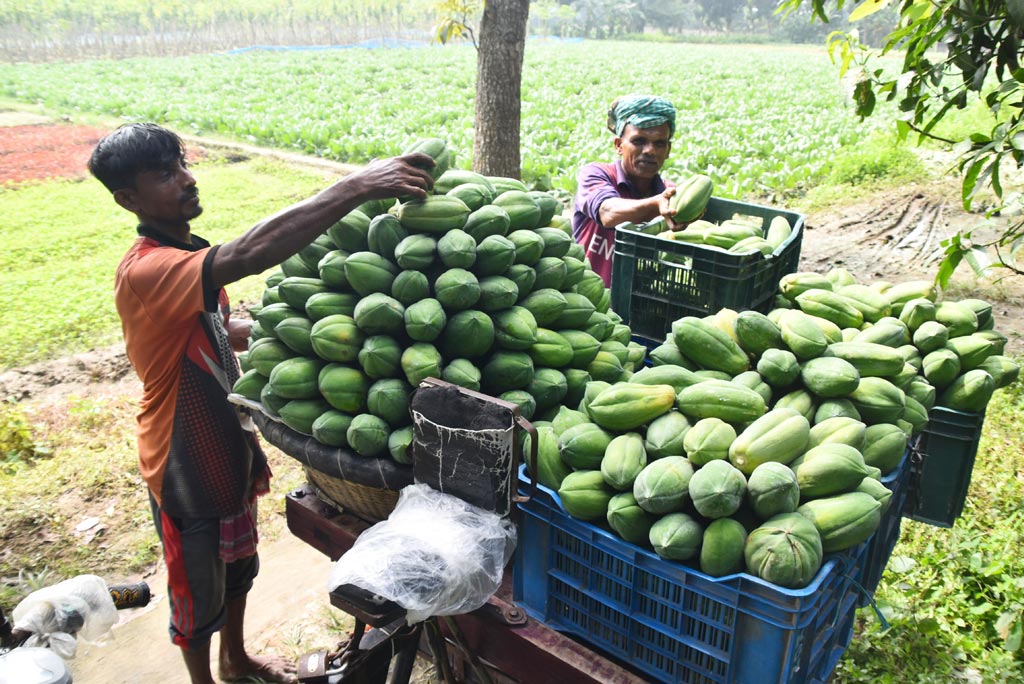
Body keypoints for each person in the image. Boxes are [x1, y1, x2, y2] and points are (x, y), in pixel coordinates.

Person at [87, 123, 434, 684]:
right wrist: (357, 186)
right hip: (183, 453)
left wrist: (302, 325)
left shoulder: (183, 250)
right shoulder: (147, 268)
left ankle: (236, 660)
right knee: (198, 584)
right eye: (163, 174)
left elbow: (216, 325)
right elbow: (249, 252)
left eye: (182, 164)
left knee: (238, 561)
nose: (186, 180)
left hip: (227, 439)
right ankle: (205, 676)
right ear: (127, 198)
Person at [572, 94, 678, 285]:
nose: (650, 151)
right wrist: (656, 205)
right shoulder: (596, 174)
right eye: (639, 141)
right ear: (619, 145)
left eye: (659, 143)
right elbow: (608, 212)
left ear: (668, 150)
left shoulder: (670, 193)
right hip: (585, 302)